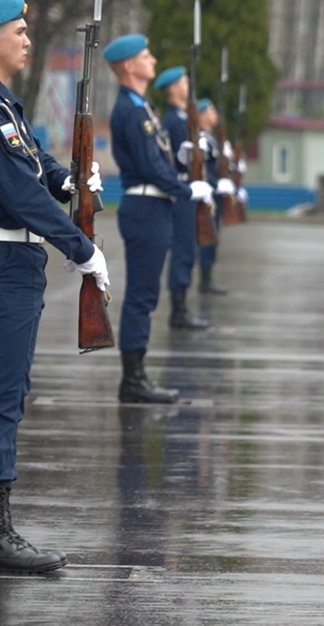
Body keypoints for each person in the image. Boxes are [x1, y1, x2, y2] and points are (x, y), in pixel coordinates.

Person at [0, 0, 108, 572]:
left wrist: (69, 182)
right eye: (18, 30)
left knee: (7, 400)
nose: (27, 39)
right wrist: (83, 250)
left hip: (12, 266)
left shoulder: (2, 103)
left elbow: (34, 165)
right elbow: (16, 194)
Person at [106, 33, 215, 404]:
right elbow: (150, 166)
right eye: (146, 56)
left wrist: (181, 162)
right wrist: (186, 188)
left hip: (153, 208)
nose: (152, 60)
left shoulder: (141, 106)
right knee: (141, 295)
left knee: (146, 294)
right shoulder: (133, 110)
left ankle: (136, 375)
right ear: (128, 66)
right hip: (146, 207)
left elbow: (156, 159)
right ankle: (132, 379)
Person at [154, 65, 212, 330]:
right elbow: (172, 160)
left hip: (189, 191)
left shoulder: (182, 118)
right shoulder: (173, 121)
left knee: (188, 250)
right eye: (184, 81)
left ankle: (182, 306)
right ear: (174, 88)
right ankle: (178, 310)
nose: (187, 85)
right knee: (182, 251)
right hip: (180, 193)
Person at [194, 101, 237, 295]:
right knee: (207, 237)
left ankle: (208, 278)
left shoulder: (212, 138)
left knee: (213, 236)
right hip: (207, 195)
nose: (215, 113)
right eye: (210, 110)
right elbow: (203, 169)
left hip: (215, 195)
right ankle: (204, 280)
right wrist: (215, 183)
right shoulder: (201, 138)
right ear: (201, 114)